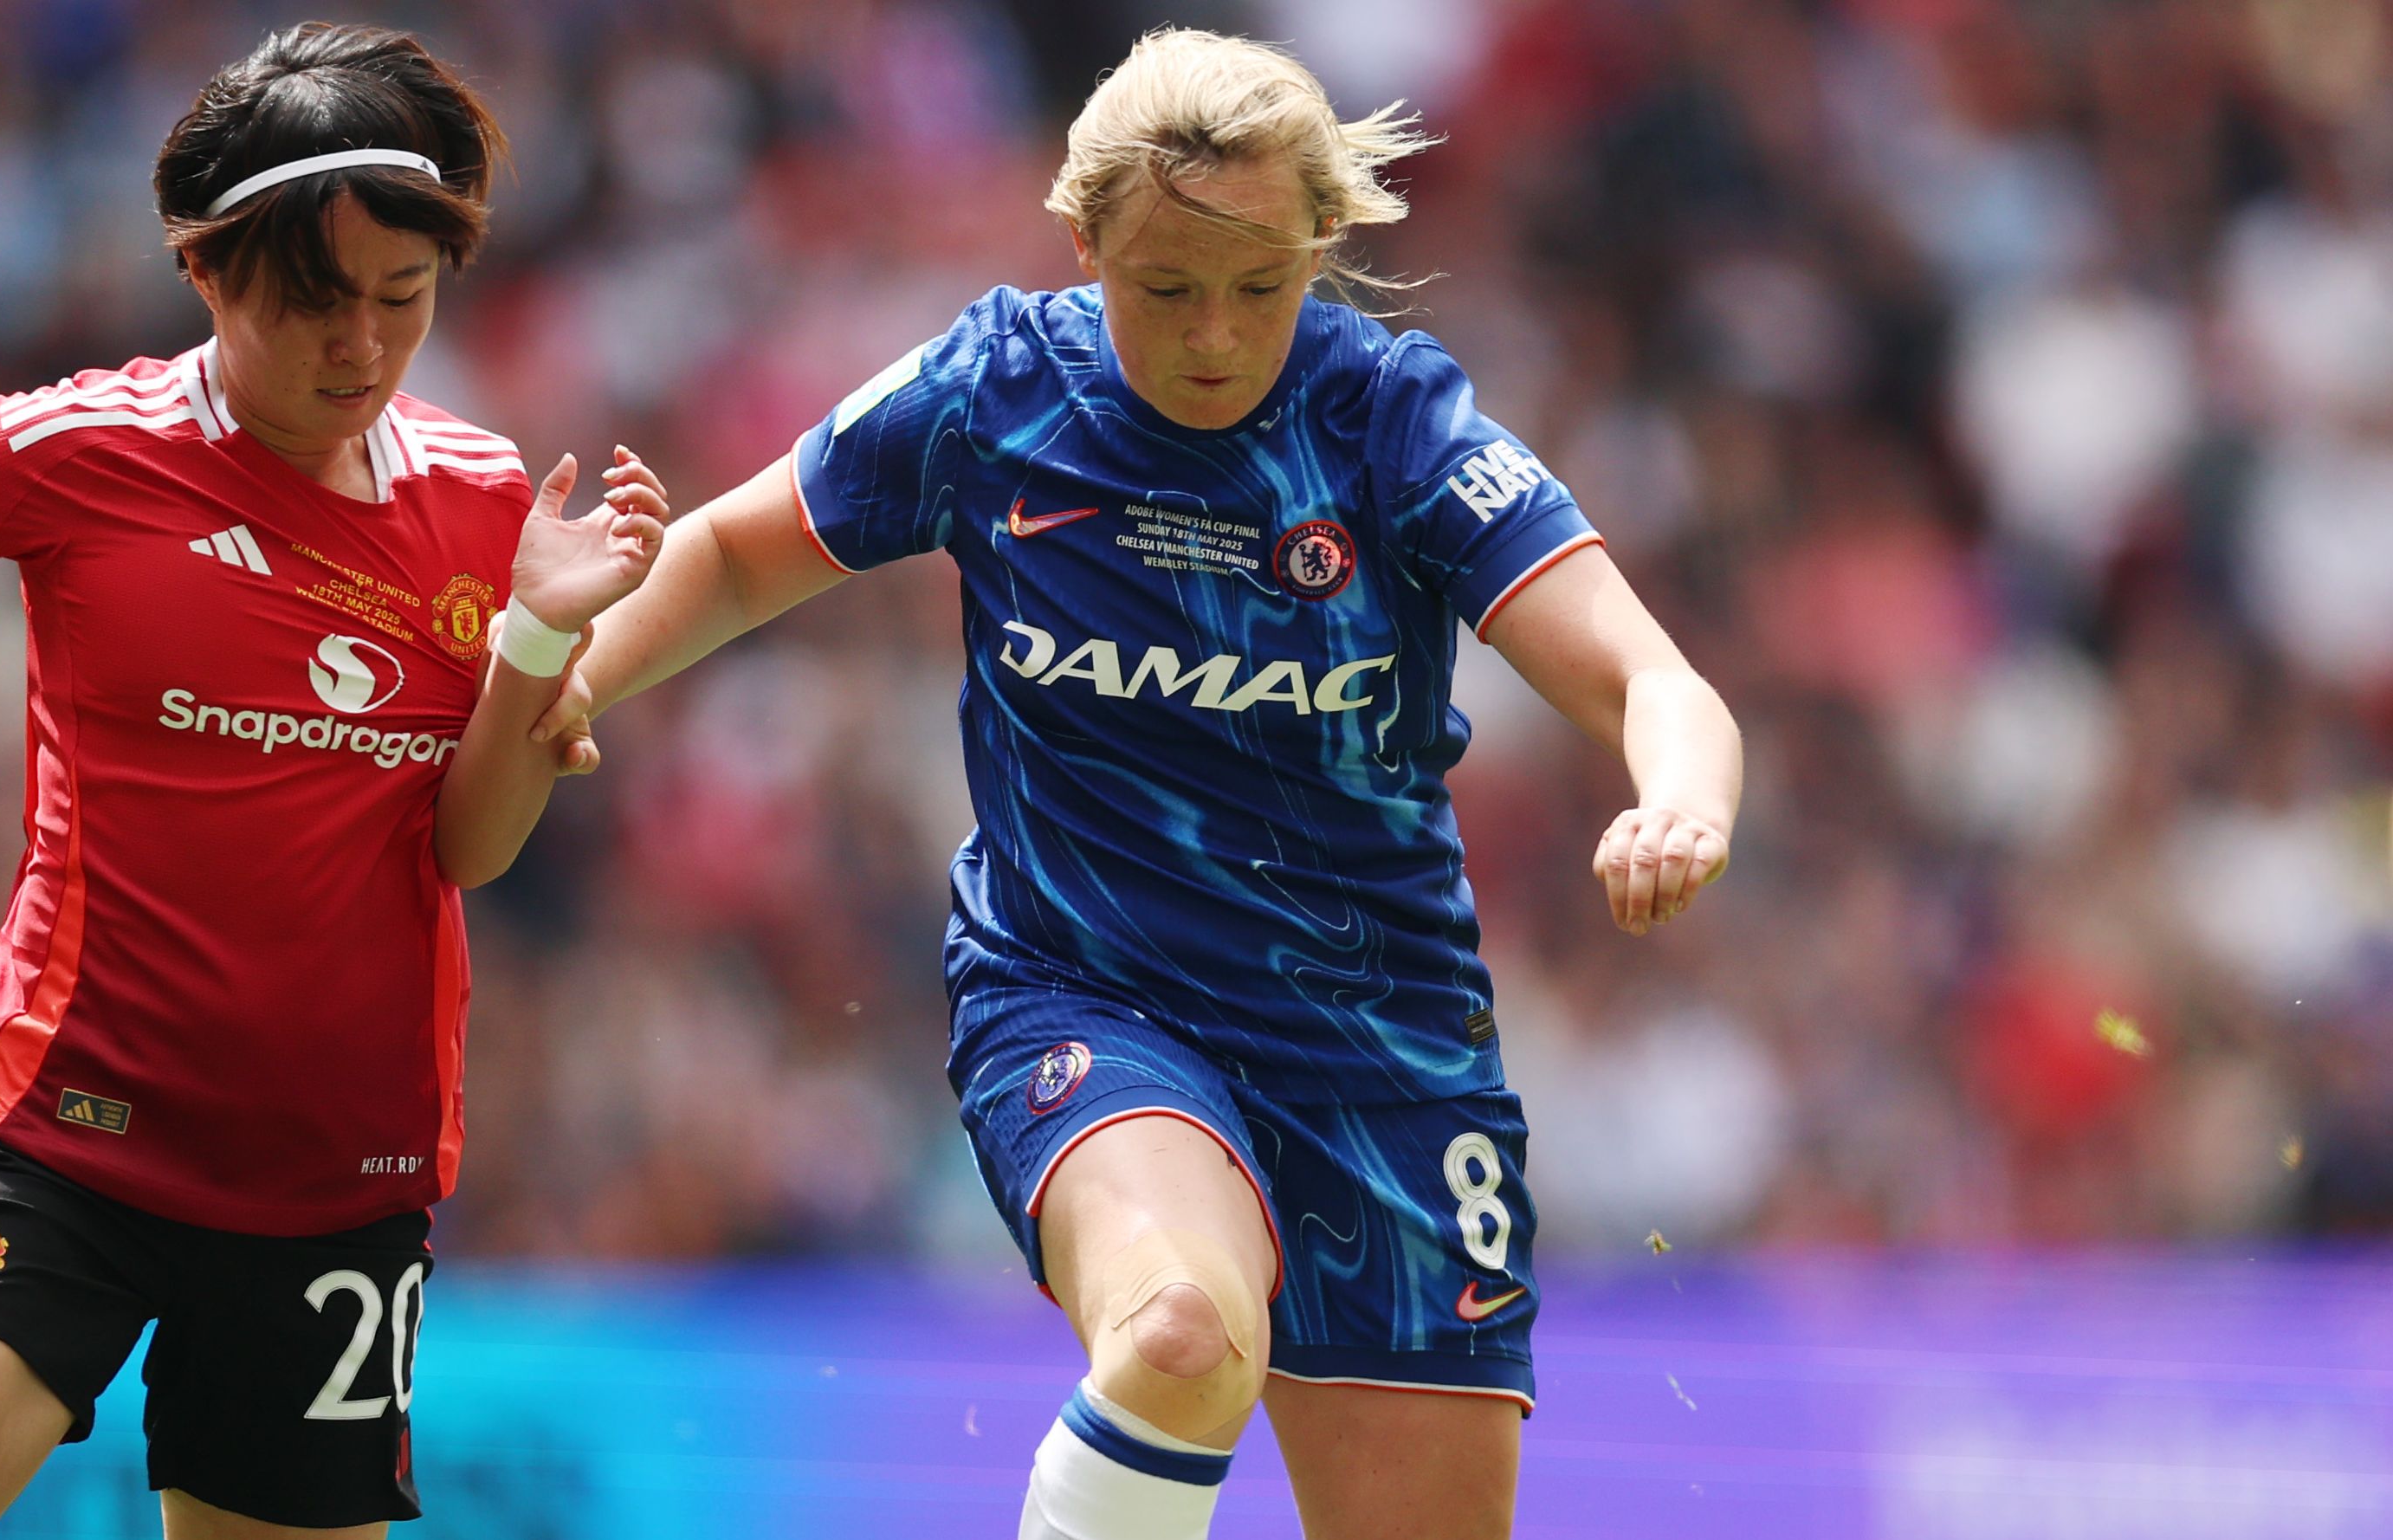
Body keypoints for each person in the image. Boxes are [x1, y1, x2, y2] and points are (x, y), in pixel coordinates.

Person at [540, 27, 1741, 1540]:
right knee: (1178, 1336)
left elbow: (1655, 681)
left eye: (1260, 288)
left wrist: (1677, 798)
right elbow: (724, 552)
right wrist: (577, 676)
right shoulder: (996, 394)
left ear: (1321, 246)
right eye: (1164, 288)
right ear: (1084, 239)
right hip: (1090, 1000)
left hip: (1382, 1050)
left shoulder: (1389, 425)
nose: (1214, 336)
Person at [0, 23, 663, 1539]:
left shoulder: (483, 499)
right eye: (314, 303)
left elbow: (471, 850)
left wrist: (532, 636)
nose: (363, 349)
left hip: (335, 1181)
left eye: (403, 300)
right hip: (54, 1141)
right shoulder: (74, 448)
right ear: (204, 269)